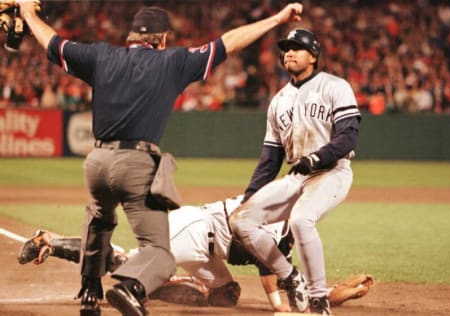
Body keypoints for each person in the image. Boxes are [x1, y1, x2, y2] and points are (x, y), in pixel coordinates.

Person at [17, 1, 304, 315]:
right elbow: (228, 43)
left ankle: (89, 290)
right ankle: (130, 287)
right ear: (163, 38)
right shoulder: (173, 62)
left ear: (130, 36)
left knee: (99, 220)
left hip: (96, 162)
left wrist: (28, 14)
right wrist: (276, 18)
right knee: (159, 252)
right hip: (135, 163)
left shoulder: (100, 56)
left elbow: (53, 42)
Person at [18, 195, 374, 312]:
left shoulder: (287, 222)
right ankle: (51, 240)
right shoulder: (278, 218)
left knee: (227, 295)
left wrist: (335, 295)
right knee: (126, 264)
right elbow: (278, 283)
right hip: (190, 230)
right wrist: (283, 307)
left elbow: (292, 283)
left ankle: (158, 286)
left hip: (207, 249)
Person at [229, 28, 362, 315]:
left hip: (331, 172)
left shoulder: (335, 86)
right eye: (285, 48)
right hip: (297, 175)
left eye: (296, 47)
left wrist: (316, 157)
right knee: (240, 221)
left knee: (301, 220)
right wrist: (249, 197)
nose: (288, 52)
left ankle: (318, 301)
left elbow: (348, 137)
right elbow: (270, 158)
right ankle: (291, 277)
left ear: (313, 55)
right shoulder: (279, 100)